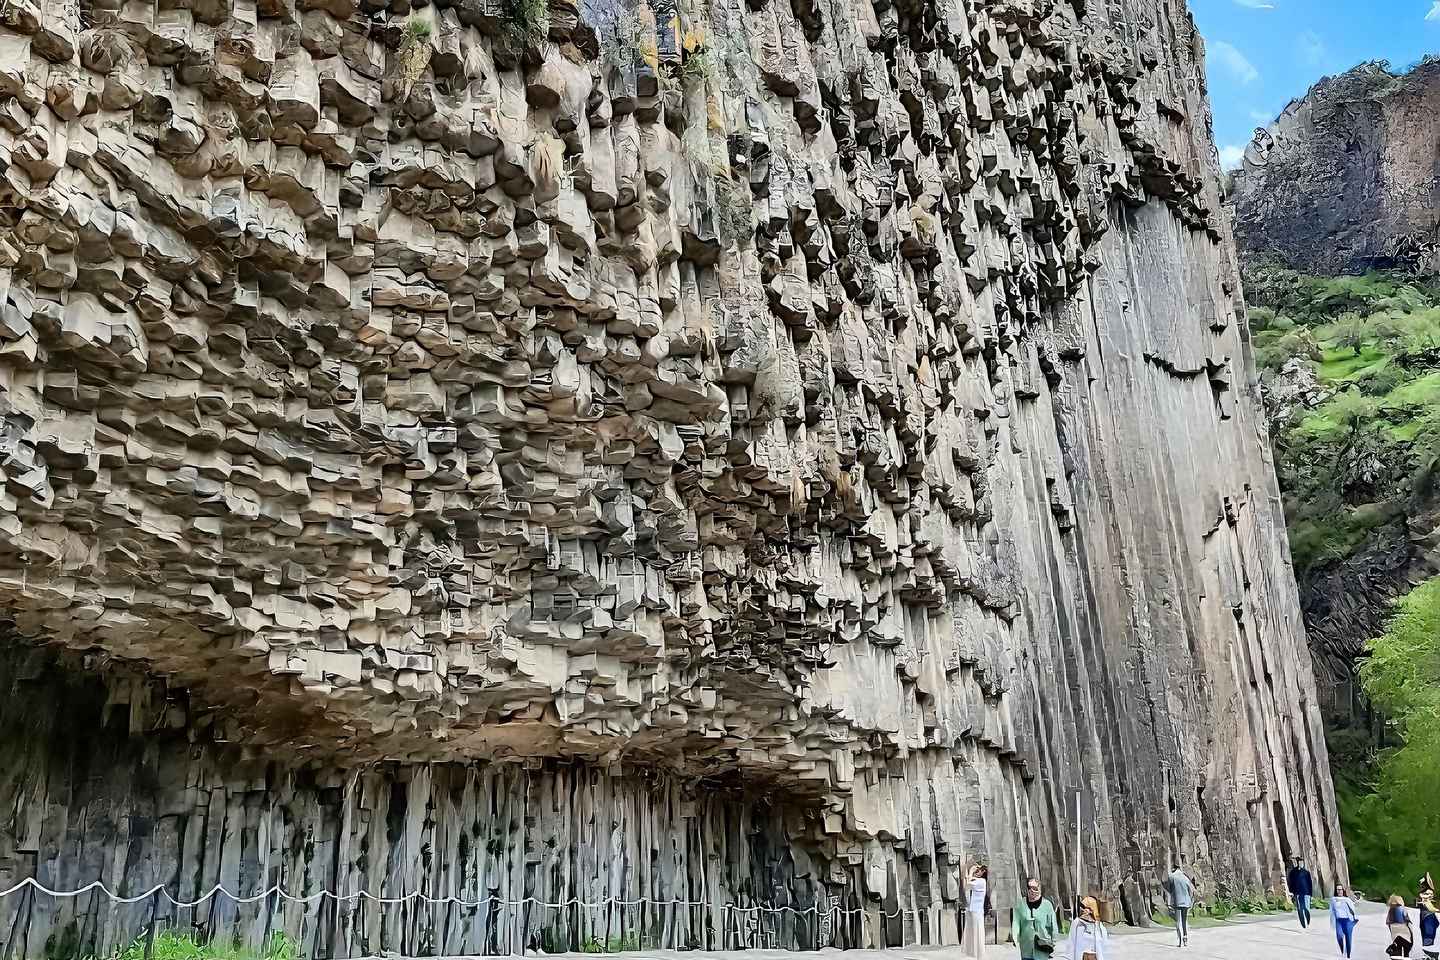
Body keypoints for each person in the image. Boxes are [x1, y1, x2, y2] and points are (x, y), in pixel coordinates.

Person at [1010, 877, 1059, 959]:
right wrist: (1015, 937)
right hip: (1026, 947)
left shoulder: (1047, 905)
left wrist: (1052, 943)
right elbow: (1016, 922)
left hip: (1043, 946)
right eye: (1029, 888)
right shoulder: (1020, 904)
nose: (1032, 890)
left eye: (1035, 888)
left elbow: (1053, 925)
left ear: (1039, 889)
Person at [1164, 862, 1196, 947]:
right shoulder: (1185, 878)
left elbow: (1169, 888)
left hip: (1177, 901)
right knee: (1184, 921)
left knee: (1178, 921)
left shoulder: (1172, 876)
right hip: (1186, 902)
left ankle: (1180, 940)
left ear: (1173, 868)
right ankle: (1185, 938)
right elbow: (1191, 890)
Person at [1069, 896, 1109, 960]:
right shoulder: (1077, 923)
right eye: (1082, 908)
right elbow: (1071, 943)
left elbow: (1104, 944)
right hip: (1082, 956)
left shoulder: (1099, 926)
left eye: (1085, 908)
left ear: (1092, 910)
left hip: (1094, 956)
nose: (1083, 910)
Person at [962, 864, 988, 959]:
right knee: (970, 932)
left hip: (977, 911)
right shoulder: (977, 880)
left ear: (983, 873)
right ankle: (972, 954)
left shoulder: (982, 881)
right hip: (971, 910)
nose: (978, 871)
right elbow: (966, 885)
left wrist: (971, 871)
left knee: (978, 932)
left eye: (980, 870)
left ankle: (979, 955)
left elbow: (967, 884)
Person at [1331, 885, 1359, 959]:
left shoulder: (1347, 900)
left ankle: (1348, 955)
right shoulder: (1333, 899)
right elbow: (1332, 911)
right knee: (1339, 937)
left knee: (1348, 937)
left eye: (1340, 889)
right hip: (1338, 920)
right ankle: (1342, 951)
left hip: (1347, 920)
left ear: (1343, 890)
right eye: (1337, 889)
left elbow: (1353, 910)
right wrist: (1332, 922)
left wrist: (1353, 919)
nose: (1339, 891)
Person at [1288, 856, 1314, 929]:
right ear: (1297, 863)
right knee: (1300, 909)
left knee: (1306, 908)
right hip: (1297, 893)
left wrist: (1311, 894)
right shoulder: (1293, 872)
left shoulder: (1306, 872)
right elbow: (1291, 883)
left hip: (1306, 893)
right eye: (1299, 862)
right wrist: (1291, 892)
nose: (1300, 863)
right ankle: (1303, 925)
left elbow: (1310, 883)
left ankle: (1308, 921)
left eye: (1302, 862)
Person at [1419, 894, 1438, 960]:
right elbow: (1437, 923)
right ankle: (1429, 956)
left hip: (1427, 934)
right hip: (1429, 933)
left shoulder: (1424, 912)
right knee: (1428, 946)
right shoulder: (1430, 914)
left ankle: (1428, 956)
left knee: (1427, 944)